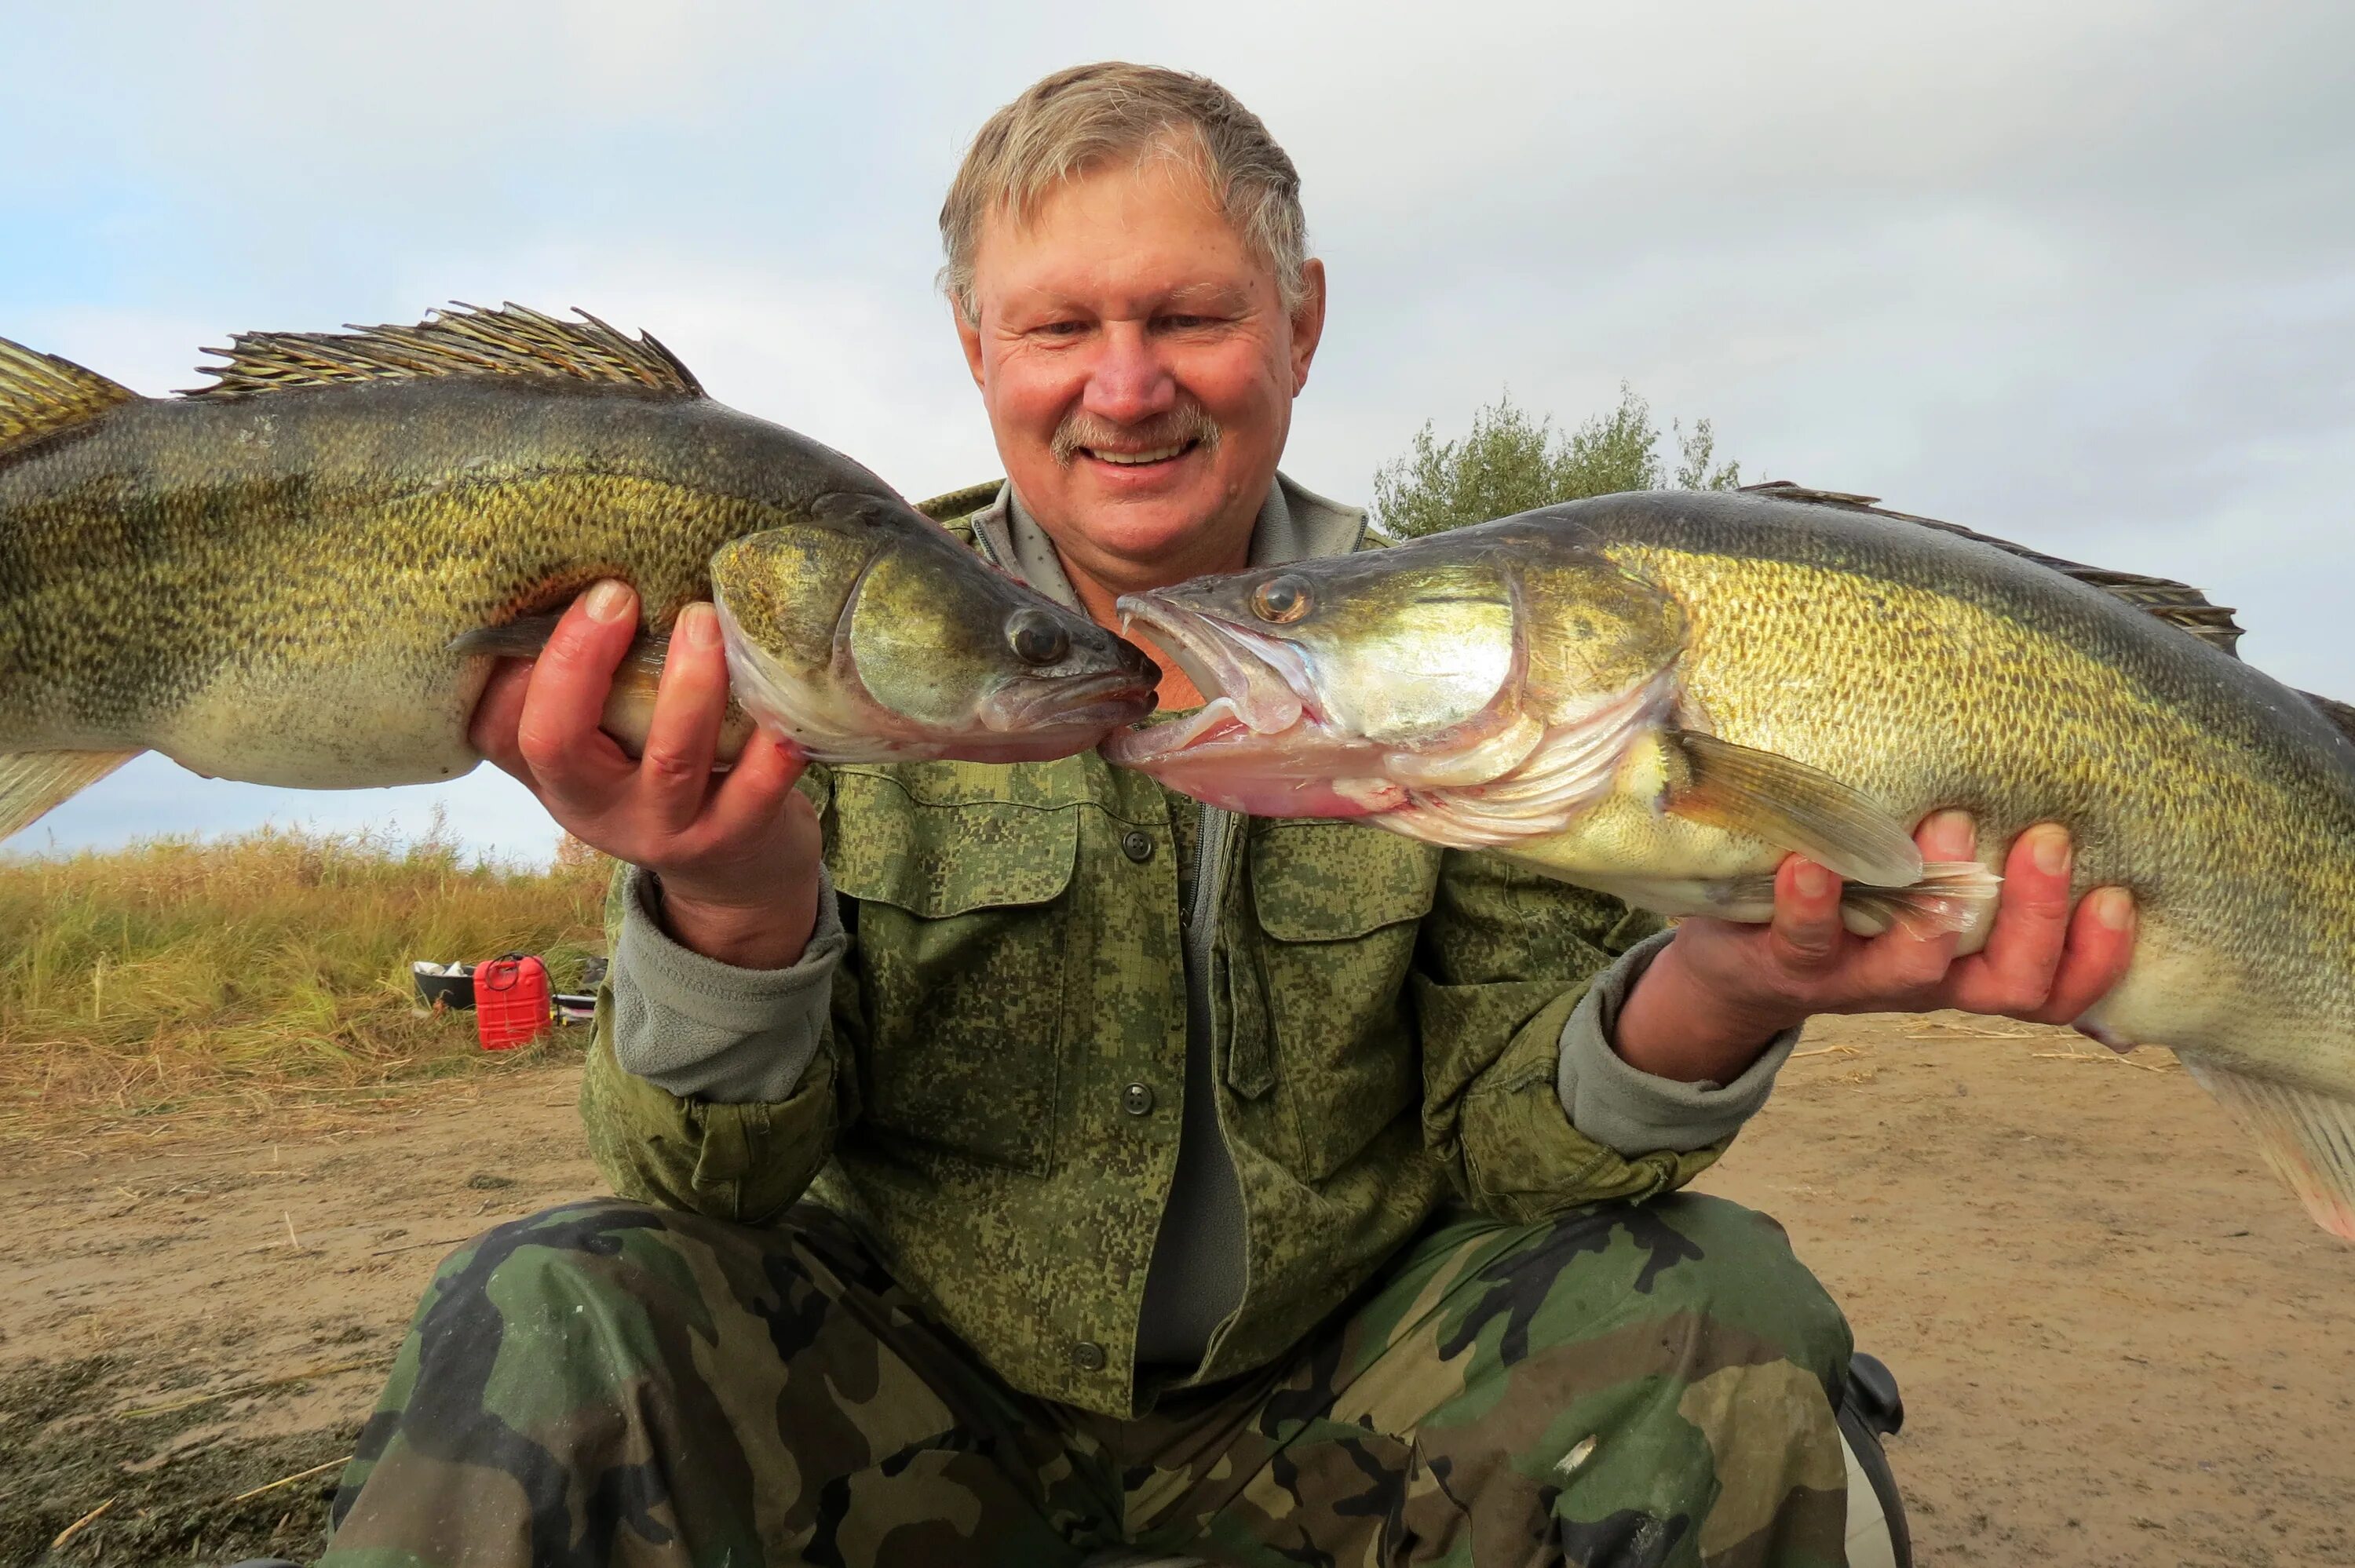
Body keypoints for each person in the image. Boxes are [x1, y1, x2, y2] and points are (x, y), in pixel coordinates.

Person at [319, 63, 2134, 1567]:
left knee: (1726, 1316)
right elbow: (707, 1188)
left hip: (1346, 1411)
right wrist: (729, 905)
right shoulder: (824, 634)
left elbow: (1527, 1158)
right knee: (548, 1309)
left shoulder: (1477, 652)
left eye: (1188, 314)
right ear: (975, 348)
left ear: (1301, 323)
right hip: (918, 1417)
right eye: (1061, 327)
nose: (1127, 384)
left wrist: (1726, 987)